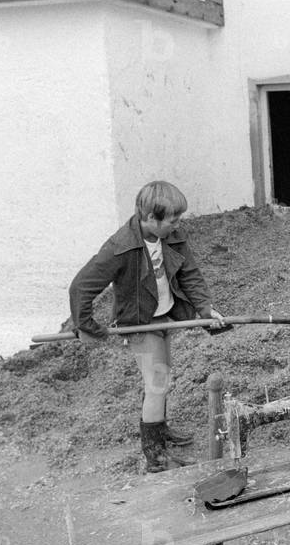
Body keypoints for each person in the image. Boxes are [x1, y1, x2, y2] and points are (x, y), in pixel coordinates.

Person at [69, 181, 225, 473]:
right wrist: (87, 325)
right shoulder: (120, 246)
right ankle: (155, 457)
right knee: (157, 385)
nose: (178, 224)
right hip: (139, 324)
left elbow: (190, 274)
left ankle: (159, 429)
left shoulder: (173, 236)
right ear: (151, 218)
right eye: (173, 220)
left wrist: (205, 308)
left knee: (162, 379)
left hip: (164, 316)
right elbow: (81, 287)